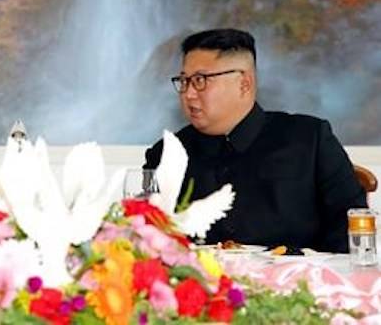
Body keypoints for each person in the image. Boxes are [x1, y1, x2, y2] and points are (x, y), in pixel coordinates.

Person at [143, 28, 366, 253]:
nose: (188, 93)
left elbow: (351, 230)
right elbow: (149, 238)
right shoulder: (166, 154)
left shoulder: (310, 139)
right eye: (184, 81)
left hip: (298, 281)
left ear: (244, 84)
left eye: (200, 80)